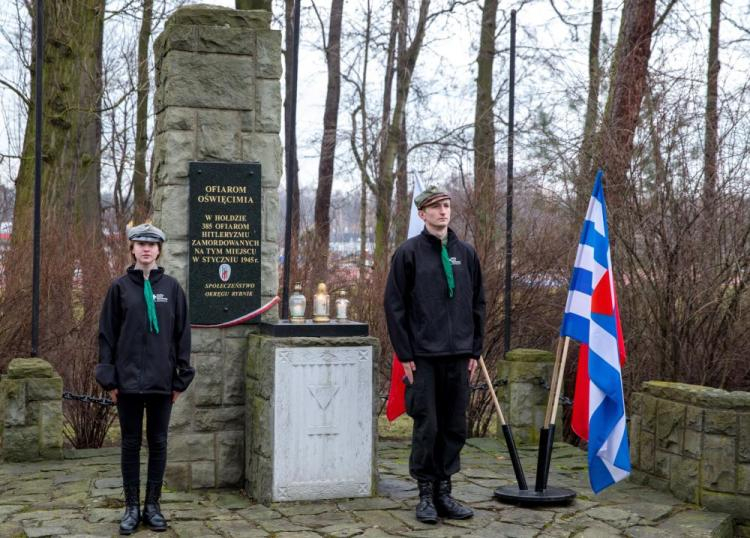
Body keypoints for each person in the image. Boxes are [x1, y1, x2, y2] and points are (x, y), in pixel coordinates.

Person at [384, 186, 486, 524]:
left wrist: (475, 348)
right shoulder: (408, 254)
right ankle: (425, 494)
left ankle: (445, 491)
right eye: (435, 207)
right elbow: (395, 306)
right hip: (423, 356)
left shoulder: (467, 254)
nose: (443, 212)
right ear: (422, 214)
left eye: (446, 205)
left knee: (454, 425)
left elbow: (477, 304)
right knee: (428, 424)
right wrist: (405, 352)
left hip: (459, 354)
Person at [95, 223, 195, 535]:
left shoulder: (172, 289)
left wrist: (179, 380)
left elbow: (182, 336)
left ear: (159, 249)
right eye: (141, 243)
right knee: (129, 444)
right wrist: (109, 379)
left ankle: (153, 506)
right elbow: (107, 336)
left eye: (152, 244)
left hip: (161, 384)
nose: (146, 249)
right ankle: (131, 508)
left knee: (159, 442)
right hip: (126, 384)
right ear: (132, 249)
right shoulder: (120, 288)